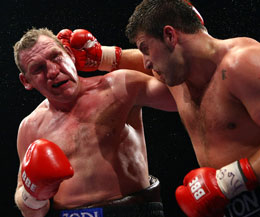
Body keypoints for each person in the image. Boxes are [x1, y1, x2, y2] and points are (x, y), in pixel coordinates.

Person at [68, 0, 260, 216]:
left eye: (145, 48)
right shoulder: (176, 73)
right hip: (228, 205)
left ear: (170, 36)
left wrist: (228, 182)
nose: (148, 63)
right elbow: (144, 64)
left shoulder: (244, 64)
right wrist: (100, 57)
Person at [13, 27, 177, 217]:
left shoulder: (118, 87)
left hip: (134, 211)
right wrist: (33, 195)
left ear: (70, 54)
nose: (52, 71)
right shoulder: (30, 127)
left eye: (56, 57)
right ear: (26, 81)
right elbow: (30, 210)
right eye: (38, 68)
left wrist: (105, 57)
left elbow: (180, 95)